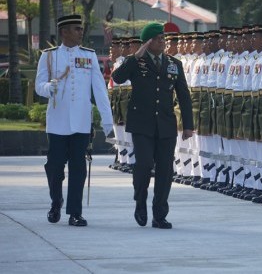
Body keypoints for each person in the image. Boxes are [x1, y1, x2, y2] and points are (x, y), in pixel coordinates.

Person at [112, 22, 193, 229]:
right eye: (157, 39)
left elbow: (183, 95)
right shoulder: (136, 62)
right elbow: (117, 78)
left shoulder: (174, 63)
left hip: (165, 124)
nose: (162, 42)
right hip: (142, 125)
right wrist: (136, 55)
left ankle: (160, 214)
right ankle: (140, 202)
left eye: (163, 39)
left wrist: (188, 125)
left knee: (165, 171)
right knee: (144, 165)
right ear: (148, 42)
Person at [35, 14, 113, 227]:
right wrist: (47, 88)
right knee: (54, 167)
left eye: (81, 29)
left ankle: (75, 213)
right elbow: (38, 85)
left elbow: (99, 89)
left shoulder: (89, 56)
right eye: (76, 29)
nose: (81, 32)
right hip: (58, 123)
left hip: (80, 123)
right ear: (64, 32)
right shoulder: (49, 56)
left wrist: (108, 123)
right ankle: (56, 201)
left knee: (78, 168)